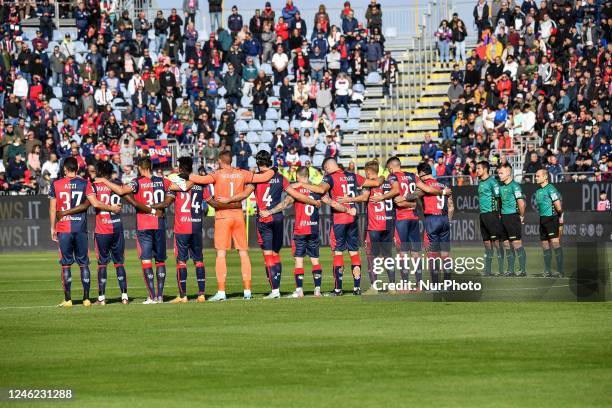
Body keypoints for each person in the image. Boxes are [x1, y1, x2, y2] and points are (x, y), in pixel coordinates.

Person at [185, 150, 276, 301]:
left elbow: (201, 180)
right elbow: (264, 177)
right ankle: (247, 291)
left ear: (221, 161)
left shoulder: (217, 174)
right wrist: (275, 169)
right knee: (243, 253)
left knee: (221, 254)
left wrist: (185, 175)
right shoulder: (242, 173)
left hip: (222, 215)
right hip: (238, 214)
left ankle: (221, 292)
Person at [57, 161, 148, 305]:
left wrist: (65, 212)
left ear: (98, 172)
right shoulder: (118, 186)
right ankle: (124, 296)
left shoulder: (94, 186)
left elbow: (86, 205)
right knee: (119, 263)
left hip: (102, 231)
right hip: (117, 229)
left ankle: (101, 298)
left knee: (102, 264)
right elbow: (132, 200)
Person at [152, 157, 240, 303]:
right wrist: (232, 205)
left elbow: (167, 203)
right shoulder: (201, 185)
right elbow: (213, 203)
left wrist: (153, 206)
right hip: (197, 227)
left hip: (182, 228)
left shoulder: (177, 185)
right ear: (191, 170)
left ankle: (183, 296)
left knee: (181, 262)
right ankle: (201, 295)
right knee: (198, 261)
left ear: (180, 169)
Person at [296, 157, 383, 296]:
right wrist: (383, 176)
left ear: (328, 168)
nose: (325, 173)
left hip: (339, 219)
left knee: (338, 252)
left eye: (325, 170)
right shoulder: (352, 175)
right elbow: (376, 182)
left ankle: (338, 289)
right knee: (354, 252)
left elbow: (320, 190)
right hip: (353, 217)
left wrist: (302, 185)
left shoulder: (330, 178)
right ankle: (356, 288)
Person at [99, 157, 174, 304]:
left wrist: (105, 181)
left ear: (140, 167)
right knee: (160, 261)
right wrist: (159, 206)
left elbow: (121, 190)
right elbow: (172, 195)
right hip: (159, 223)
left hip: (144, 225)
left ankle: (152, 296)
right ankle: (159, 296)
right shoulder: (163, 181)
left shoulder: (137, 182)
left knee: (146, 260)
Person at [49, 157, 120, 308]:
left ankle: (68, 300)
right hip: (80, 228)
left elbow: (52, 208)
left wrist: (52, 227)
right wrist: (112, 208)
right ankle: (86, 299)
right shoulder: (85, 183)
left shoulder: (56, 184)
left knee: (66, 265)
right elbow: (95, 203)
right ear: (77, 169)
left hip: (64, 229)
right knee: (83, 263)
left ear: (65, 169)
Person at [383, 156, 449, 284]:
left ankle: (405, 283)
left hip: (401, 218)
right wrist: (443, 192)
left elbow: (397, 199)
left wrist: (391, 198)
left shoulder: (392, 177)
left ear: (391, 167)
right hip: (414, 218)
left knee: (402, 253)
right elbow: (428, 190)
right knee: (415, 252)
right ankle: (419, 283)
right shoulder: (413, 176)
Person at [497, 163, 527, 277]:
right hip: (503, 217)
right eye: (498, 173)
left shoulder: (515, 186)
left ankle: (523, 270)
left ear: (509, 173)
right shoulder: (501, 186)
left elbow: (521, 203)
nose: (499, 175)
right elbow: (499, 202)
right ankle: (510, 270)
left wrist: (521, 216)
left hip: (513, 217)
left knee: (516, 243)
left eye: (501, 173)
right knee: (506, 244)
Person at [476, 160, 504, 276]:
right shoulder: (480, 183)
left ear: (485, 169)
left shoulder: (493, 182)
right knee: (487, 243)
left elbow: (499, 198)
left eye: (478, 168)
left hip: (492, 214)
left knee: (496, 242)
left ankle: (502, 270)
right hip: (483, 215)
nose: (477, 170)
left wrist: (499, 213)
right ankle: (488, 270)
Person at [534, 169, 564, 277]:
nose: (536, 178)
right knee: (545, 245)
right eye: (535, 176)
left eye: (538, 176)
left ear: (545, 177)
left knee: (555, 244)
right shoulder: (538, 190)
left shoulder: (551, 189)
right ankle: (547, 270)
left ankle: (560, 270)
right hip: (542, 220)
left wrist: (560, 217)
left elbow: (557, 204)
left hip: (551, 219)